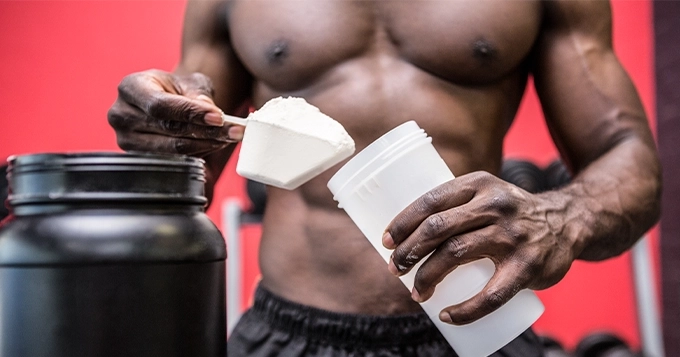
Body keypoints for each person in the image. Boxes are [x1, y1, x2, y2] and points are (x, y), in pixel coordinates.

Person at [107, 0, 661, 356]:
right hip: (290, 334)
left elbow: (629, 155)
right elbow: (184, 173)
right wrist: (158, 138)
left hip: (478, 333)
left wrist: (562, 215)